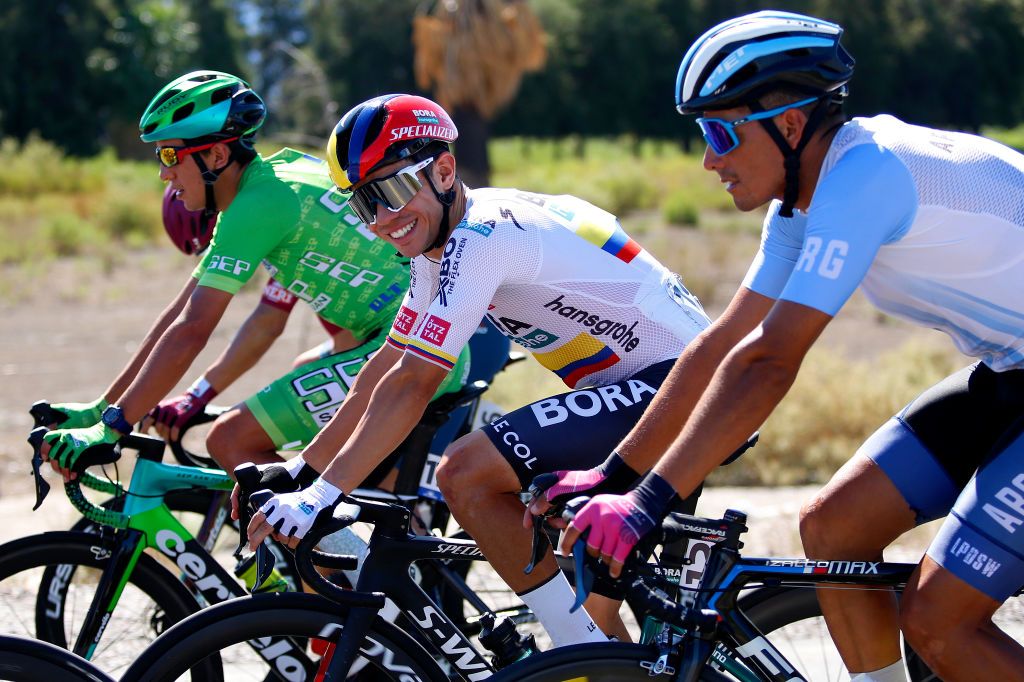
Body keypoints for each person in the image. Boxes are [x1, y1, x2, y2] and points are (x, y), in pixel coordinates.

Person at [539, 10, 1024, 682]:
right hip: (1010, 372)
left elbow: (770, 363)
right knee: (835, 529)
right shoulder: (804, 198)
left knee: (939, 622)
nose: (709, 159)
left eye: (719, 132)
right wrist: (615, 476)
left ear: (790, 126)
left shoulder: (866, 175)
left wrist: (648, 504)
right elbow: (721, 346)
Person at [244, 93, 712, 647]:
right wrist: (305, 469)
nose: (382, 221)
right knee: (599, 624)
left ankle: (569, 647)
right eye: (363, 206)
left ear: (444, 170)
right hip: (654, 389)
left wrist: (321, 497)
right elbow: (388, 364)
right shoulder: (440, 244)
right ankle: (588, 648)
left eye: (391, 191)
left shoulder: (482, 237)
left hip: (678, 388)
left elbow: (417, 383)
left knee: (464, 472)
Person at [40, 70, 467, 484]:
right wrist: (103, 410)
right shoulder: (279, 180)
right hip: (408, 335)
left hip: (415, 342)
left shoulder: (256, 205)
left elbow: (192, 331)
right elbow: (183, 315)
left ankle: (335, 553)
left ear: (217, 156)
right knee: (280, 413)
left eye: (170, 155)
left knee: (230, 440)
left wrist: (113, 428)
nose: (163, 173)